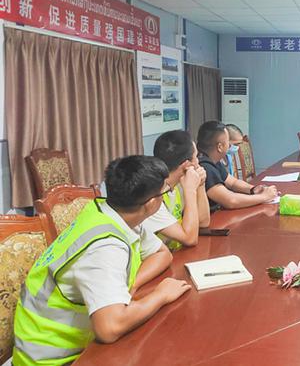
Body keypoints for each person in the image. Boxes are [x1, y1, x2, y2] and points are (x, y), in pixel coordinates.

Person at [13, 156, 191, 365]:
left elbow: (162, 254)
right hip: (52, 359)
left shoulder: (112, 213)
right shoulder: (104, 247)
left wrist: (132, 284)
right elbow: (110, 327)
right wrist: (161, 295)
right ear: (152, 203)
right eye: (165, 191)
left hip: (79, 342)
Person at [142, 130, 210, 250]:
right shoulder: (152, 197)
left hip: (176, 253)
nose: (198, 162)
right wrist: (190, 190)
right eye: (196, 157)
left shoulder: (180, 182)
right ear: (187, 165)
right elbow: (190, 239)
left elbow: (203, 222)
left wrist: (200, 185)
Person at [197, 121, 278, 211]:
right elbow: (230, 201)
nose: (229, 145)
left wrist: (253, 189)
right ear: (220, 147)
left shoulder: (214, 161)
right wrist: (264, 197)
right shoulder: (205, 167)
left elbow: (233, 182)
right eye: (228, 141)